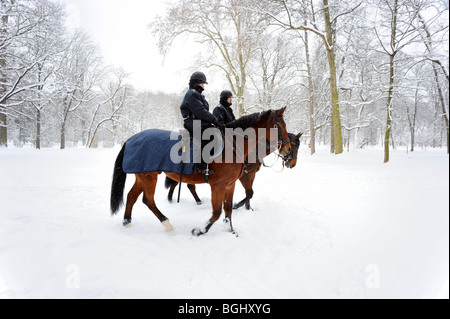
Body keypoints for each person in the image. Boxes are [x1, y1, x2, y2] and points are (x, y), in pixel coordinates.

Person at [180, 72, 221, 176]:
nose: (203, 86)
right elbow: (201, 111)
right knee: (208, 137)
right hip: (193, 122)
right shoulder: (192, 94)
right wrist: (214, 120)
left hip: (199, 121)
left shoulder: (197, 94)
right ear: (196, 82)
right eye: (202, 83)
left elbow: (203, 112)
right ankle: (200, 166)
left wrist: (213, 122)